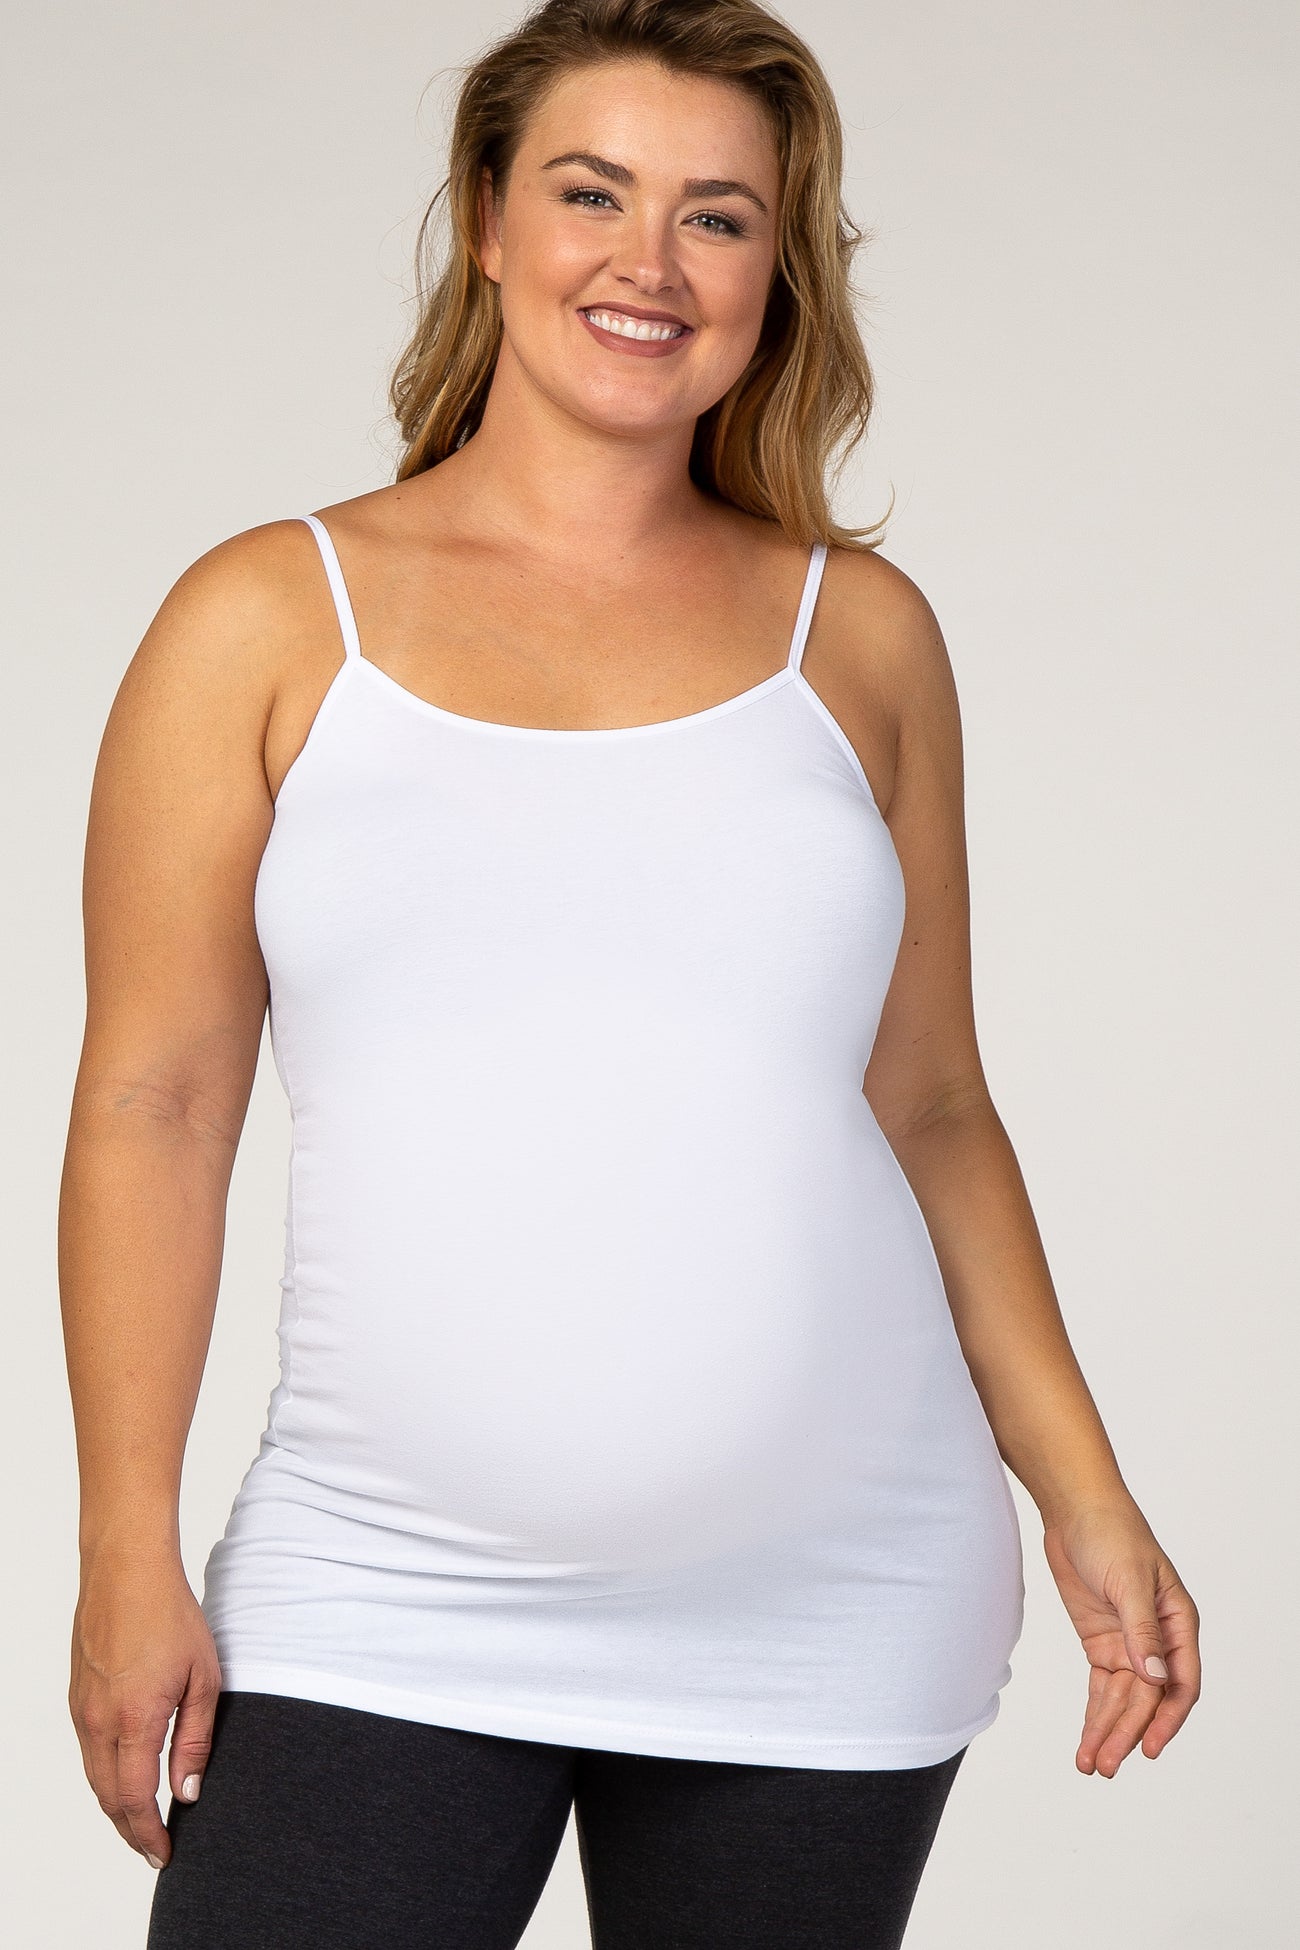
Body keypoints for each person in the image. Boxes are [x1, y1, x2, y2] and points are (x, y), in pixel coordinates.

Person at [59, 2, 1201, 1944]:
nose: (649, 263)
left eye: (717, 217)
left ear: (775, 270)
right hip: (382, 1586)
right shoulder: (264, 618)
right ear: (487, 218)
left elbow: (932, 1104)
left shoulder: (861, 638)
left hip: (832, 1601)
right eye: (591, 194)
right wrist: (120, 1546)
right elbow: (154, 1102)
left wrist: (1083, 1491)